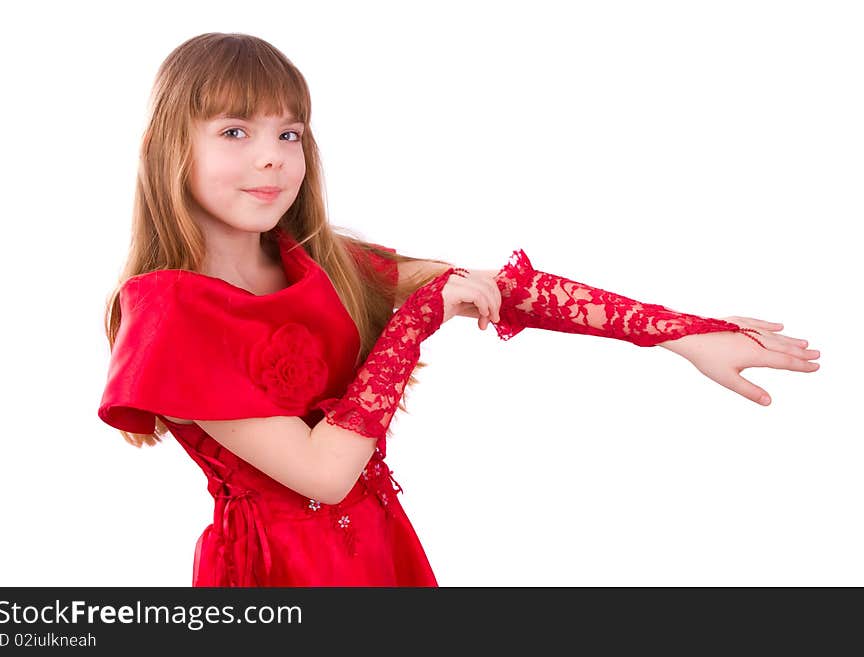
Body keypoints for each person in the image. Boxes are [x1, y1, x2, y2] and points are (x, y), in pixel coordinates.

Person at [97, 32, 821, 587]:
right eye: (235, 132)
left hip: (381, 547)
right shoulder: (170, 311)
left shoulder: (322, 263)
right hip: (279, 573)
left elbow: (497, 288)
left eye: (289, 133)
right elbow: (323, 473)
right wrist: (413, 320)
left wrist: (682, 333)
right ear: (169, 149)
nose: (272, 158)